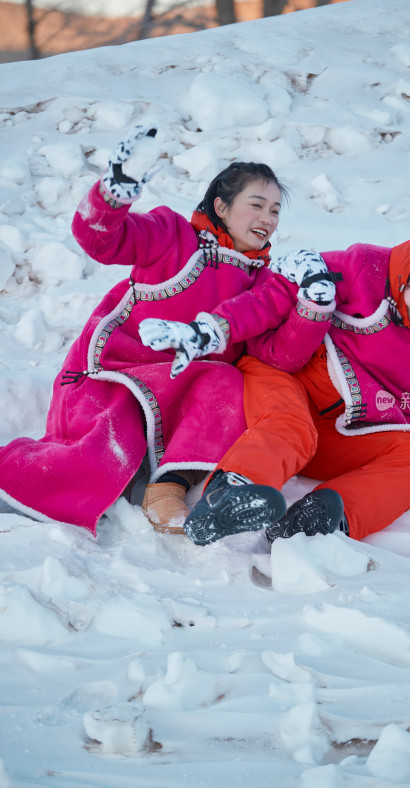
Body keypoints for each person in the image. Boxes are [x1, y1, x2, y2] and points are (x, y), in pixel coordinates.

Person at [0, 125, 337, 537]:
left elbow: (279, 356)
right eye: (257, 205)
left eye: (275, 211)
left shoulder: (263, 282)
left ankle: (166, 490)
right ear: (221, 205)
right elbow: (102, 241)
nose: (267, 219)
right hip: (118, 373)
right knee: (104, 447)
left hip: (188, 387)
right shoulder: (172, 236)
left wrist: (313, 306)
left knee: (228, 381)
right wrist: (113, 195)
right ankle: (16, 481)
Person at [147, 233, 410, 544]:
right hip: (285, 378)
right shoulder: (364, 265)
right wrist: (211, 330)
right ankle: (228, 496)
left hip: (348, 426)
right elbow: (274, 295)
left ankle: (323, 517)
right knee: (289, 427)